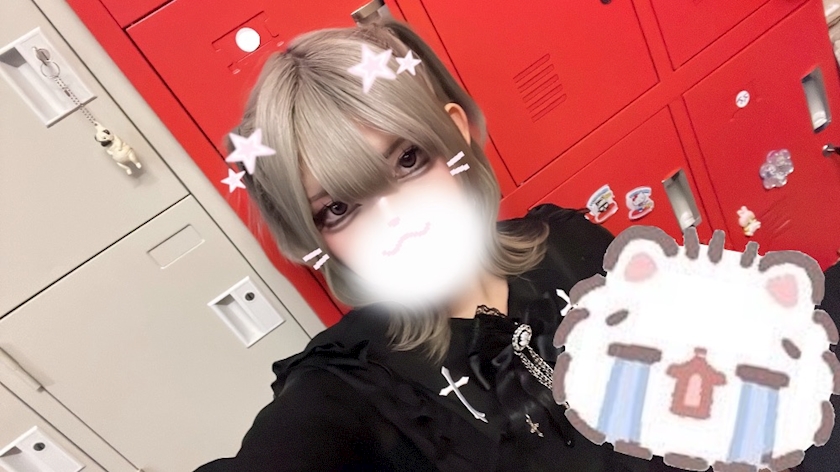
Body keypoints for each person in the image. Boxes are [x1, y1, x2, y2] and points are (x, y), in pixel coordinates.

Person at [194, 20, 679, 472]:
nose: (399, 222)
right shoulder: (351, 391)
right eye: (338, 208)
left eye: (408, 160)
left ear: (453, 132)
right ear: (314, 238)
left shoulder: (572, 242)